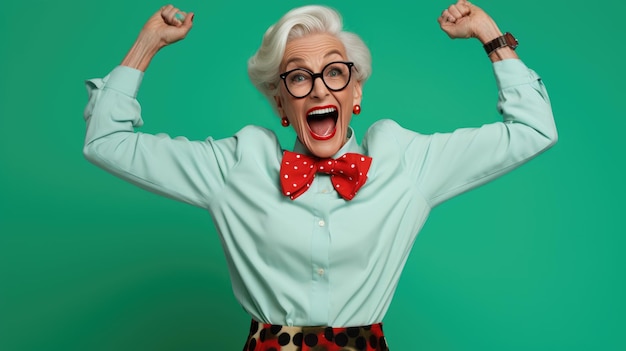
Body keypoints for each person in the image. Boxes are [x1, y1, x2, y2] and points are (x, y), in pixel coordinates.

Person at [83, 1, 557, 350]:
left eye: (334, 73)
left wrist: (491, 36)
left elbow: (534, 129)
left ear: (355, 94)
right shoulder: (239, 165)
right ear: (280, 103)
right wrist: (145, 46)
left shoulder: (405, 160)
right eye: (298, 77)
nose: (317, 89)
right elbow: (107, 142)